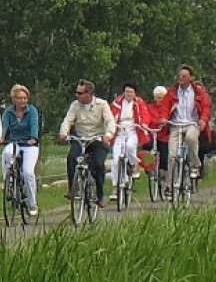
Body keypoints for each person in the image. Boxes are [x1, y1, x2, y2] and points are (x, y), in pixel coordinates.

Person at [59, 79, 116, 207]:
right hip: (81, 138)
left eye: (80, 93)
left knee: (98, 164)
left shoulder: (102, 104)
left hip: (97, 140)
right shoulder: (75, 105)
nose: (77, 95)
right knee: (71, 158)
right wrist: (64, 133)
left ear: (89, 93)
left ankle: (100, 195)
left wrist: (108, 135)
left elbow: (110, 121)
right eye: (76, 93)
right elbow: (68, 120)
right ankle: (73, 189)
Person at [162, 64, 212, 189]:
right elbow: (165, 106)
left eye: (184, 76)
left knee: (190, 138)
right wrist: (163, 118)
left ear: (191, 78)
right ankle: (169, 184)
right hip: (176, 124)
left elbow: (206, 107)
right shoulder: (172, 92)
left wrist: (203, 120)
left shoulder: (199, 92)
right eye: (180, 75)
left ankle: (195, 165)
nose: (181, 78)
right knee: (172, 155)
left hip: (192, 124)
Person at [0, 84, 40, 216]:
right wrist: (1, 138)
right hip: (14, 141)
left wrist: (33, 138)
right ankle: (8, 182)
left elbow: (34, 125)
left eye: (25, 98)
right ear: (14, 99)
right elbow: (4, 126)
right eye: (19, 98)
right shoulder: (8, 112)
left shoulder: (32, 110)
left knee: (28, 172)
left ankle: (32, 203)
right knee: (6, 153)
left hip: (29, 144)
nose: (23, 101)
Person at [108, 82, 150, 200]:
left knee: (130, 147)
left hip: (133, 130)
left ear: (135, 93)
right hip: (119, 131)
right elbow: (110, 116)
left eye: (131, 92)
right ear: (123, 92)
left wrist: (144, 124)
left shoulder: (139, 103)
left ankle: (133, 164)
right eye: (126, 91)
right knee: (115, 161)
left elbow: (145, 114)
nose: (128, 94)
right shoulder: (117, 103)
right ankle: (115, 188)